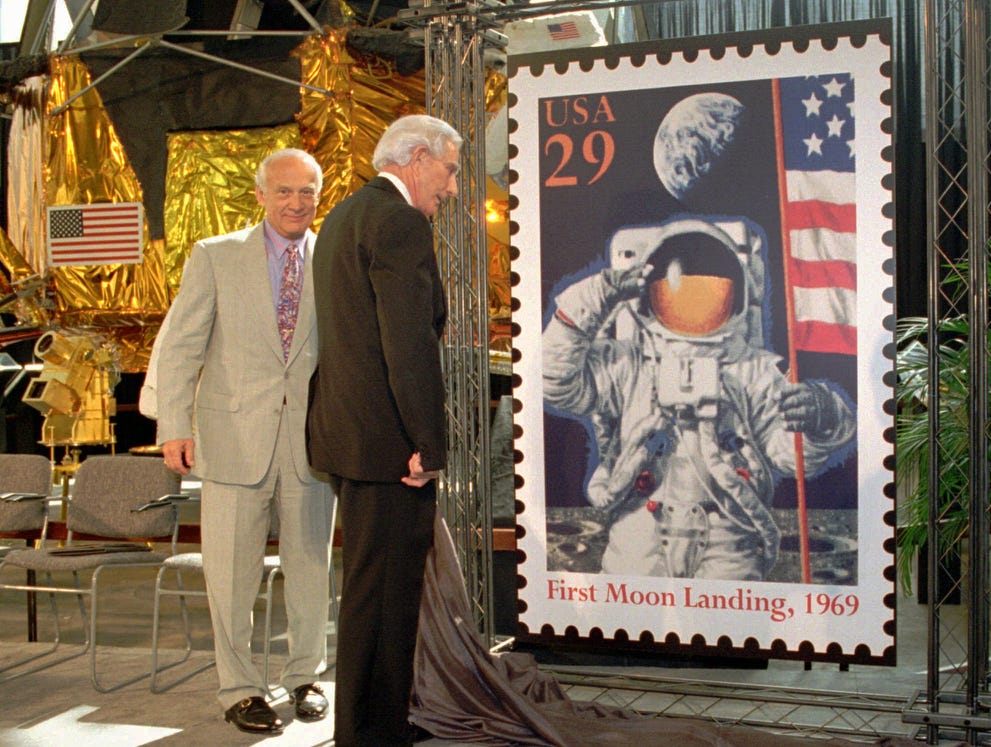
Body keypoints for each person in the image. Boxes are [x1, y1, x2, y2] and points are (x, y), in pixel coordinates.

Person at [542, 217, 856, 580]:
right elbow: (555, 380)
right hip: (639, 524)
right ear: (650, 299)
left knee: (731, 629)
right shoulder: (628, 364)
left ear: (735, 298)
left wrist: (823, 417)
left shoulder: (750, 370)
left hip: (728, 532)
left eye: (709, 296)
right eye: (677, 294)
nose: (693, 307)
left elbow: (788, 456)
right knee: (629, 623)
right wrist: (598, 293)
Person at [155, 148, 335, 735]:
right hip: (232, 437)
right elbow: (181, 346)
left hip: (311, 442)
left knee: (310, 567)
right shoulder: (214, 256)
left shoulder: (333, 256)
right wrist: (174, 425)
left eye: (306, 191)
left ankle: (306, 675)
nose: (296, 203)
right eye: (284, 191)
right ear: (260, 195)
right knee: (232, 574)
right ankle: (239, 689)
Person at [306, 114, 462, 747]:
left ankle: (377, 725)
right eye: (450, 171)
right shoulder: (399, 221)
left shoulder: (344, 215)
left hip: (350, 436)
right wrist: (430, 444)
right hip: (390, 445)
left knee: (372, 592)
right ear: (418, 158)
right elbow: (408, 343)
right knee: (385, 598)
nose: (451, 188)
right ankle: (373, 733)